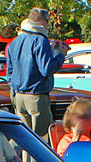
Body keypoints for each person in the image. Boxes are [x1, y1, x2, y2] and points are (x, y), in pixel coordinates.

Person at [5, 8, 68, 140]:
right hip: (36, 95)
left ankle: (21, 155)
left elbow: (9, 71)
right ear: (44, 22)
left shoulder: (15, 41)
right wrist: (61, 56)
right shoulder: (40, 40)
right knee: (41, 139)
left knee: (24, 138)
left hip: (17, 94)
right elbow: (46, 69)